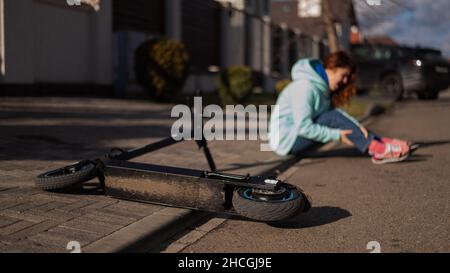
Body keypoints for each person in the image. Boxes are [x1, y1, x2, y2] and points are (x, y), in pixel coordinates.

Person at [268, 51, 415, 164]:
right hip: (286, 142)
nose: (345, 81)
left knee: (333, 116)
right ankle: (378, 149)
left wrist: (357, 125)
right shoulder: (305, 87)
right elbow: (304, 127)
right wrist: (336, 135)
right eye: (344, 75)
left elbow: (336, 116)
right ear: (332, 68)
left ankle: (382, 143)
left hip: (296, 139)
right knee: (331, 117)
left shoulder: (321, 89)